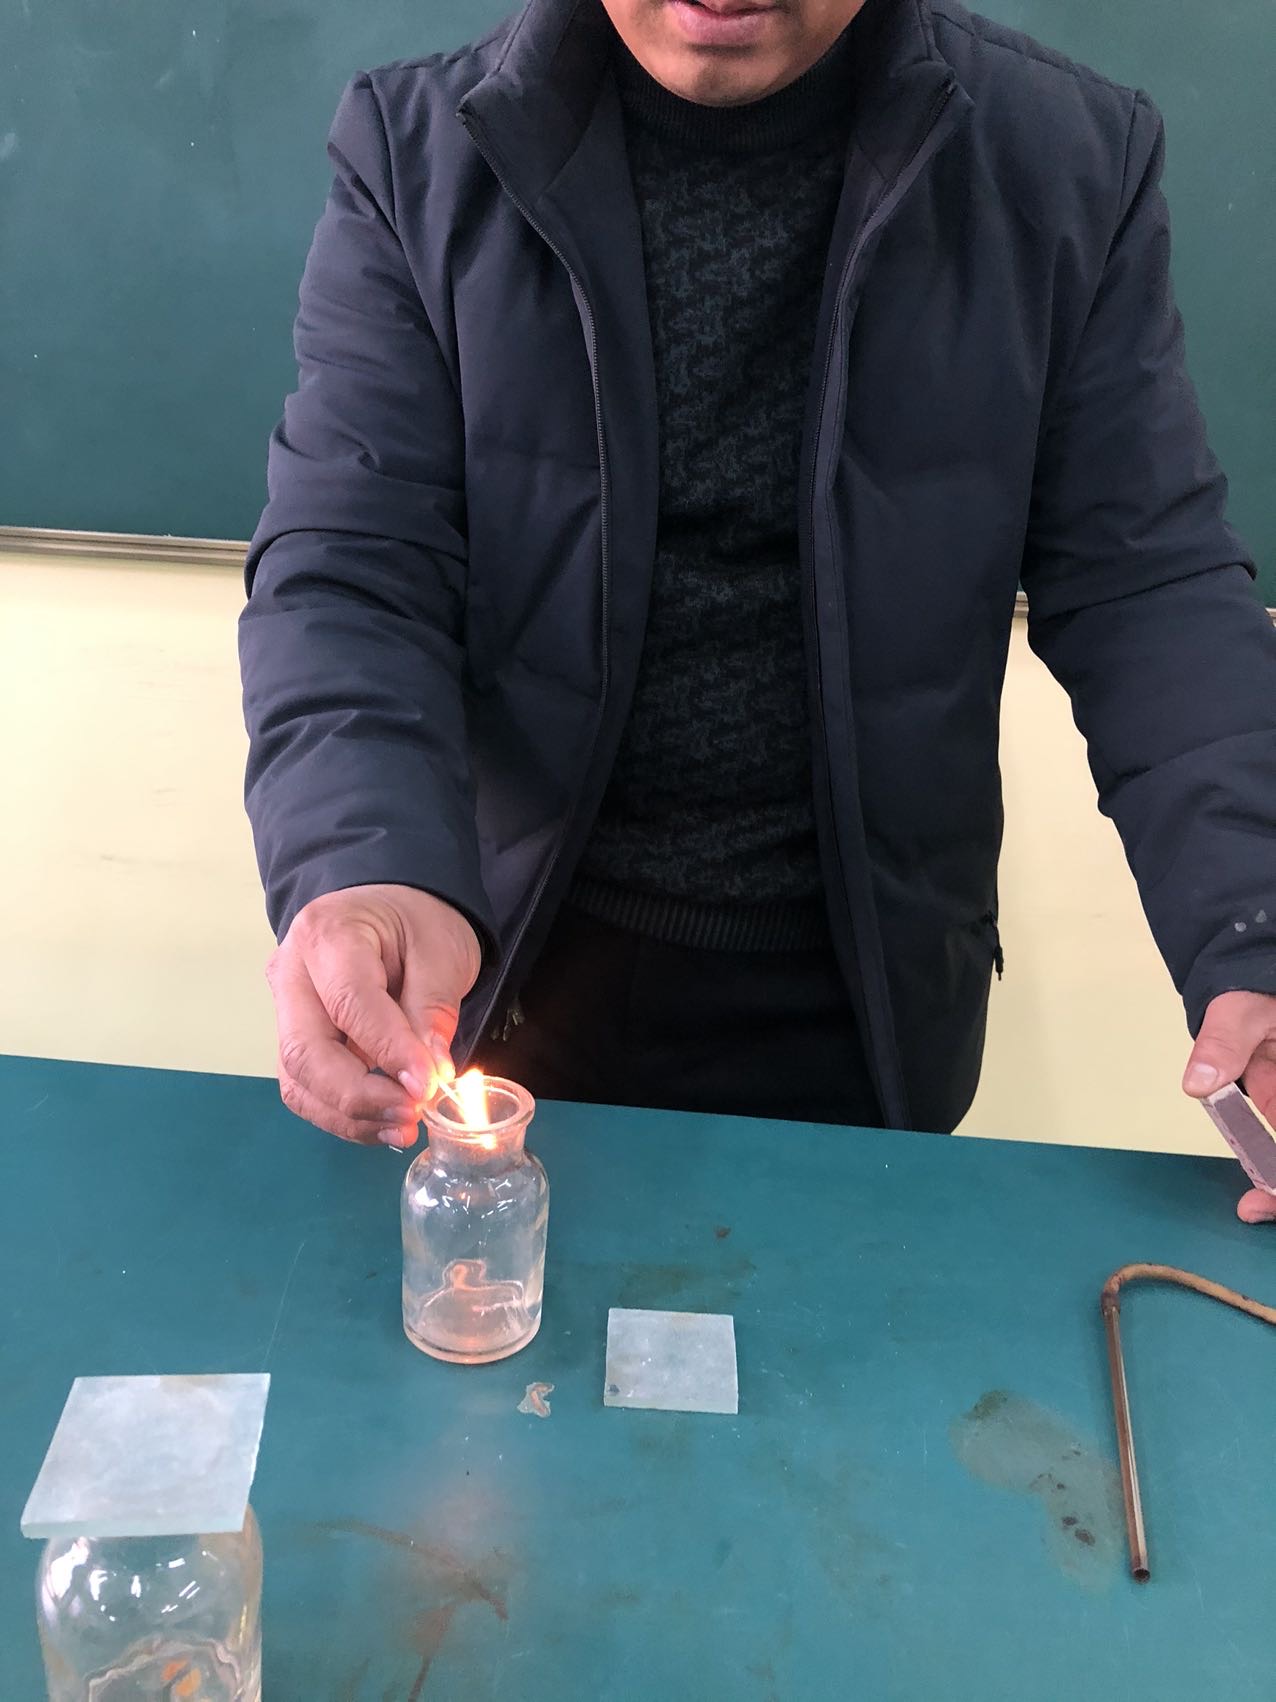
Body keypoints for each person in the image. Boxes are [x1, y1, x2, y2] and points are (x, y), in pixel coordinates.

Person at [239, 0, 1276, 1221]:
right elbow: (355, 566)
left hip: (868, 1011)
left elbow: (1147, 586)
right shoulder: (417, 152)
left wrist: (1255, 926)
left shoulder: (1061, 163)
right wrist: (366, 864)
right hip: (495, 977)